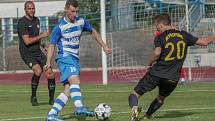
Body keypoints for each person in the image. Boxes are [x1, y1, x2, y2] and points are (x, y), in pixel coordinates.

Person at [128, 13, 215, 121]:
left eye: (156, 26)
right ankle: (148, 116)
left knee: (135, 94)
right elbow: (205, 42)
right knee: (161, 98)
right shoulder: (184, 35)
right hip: (173, 78)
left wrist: (149, 63)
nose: (156, 28)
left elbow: (156, 53)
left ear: (161, 25)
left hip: (156, 73)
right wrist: (214, 34)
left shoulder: (160, 37)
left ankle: (134, 109)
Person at [44, 0, 111, 120]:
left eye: (76, 11)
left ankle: (52, 115)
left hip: (74, 59)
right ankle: (79, 107)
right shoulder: (59, 27)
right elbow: (52, 45)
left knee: (68, 90)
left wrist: (104, 45)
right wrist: (48, 62)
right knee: (75, 80)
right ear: (66, 9)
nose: (74, 14)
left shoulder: (81, 22)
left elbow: (93, 31)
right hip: (64, 57)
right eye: (72, 11)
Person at [17, 1, 55, 106]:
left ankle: (51, 100)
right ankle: (33, 97)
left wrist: (43, 45)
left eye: (33, 8)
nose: (32, 10)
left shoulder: (37, 20)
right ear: (25, 10)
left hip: (37, 51)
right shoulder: (22, 23)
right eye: (29, 9)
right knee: (38, 70)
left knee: (50, 72)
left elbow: (36, 38)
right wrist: (42, 35)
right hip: (26, 52)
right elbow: (27, 41)